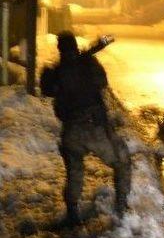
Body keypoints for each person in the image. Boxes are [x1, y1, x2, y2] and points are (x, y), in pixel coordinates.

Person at [40, 31, 131, 226]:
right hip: (94, 128)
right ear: (75, 47)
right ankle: (122, 208)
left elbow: (46, 89)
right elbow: (102, 82)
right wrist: (84, 65)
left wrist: (55, 72)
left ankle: (73, 212)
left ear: (60, 50)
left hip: (71, 132)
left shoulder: (58, 71)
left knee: (74, 170)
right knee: (122, 160)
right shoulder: (87, 63)